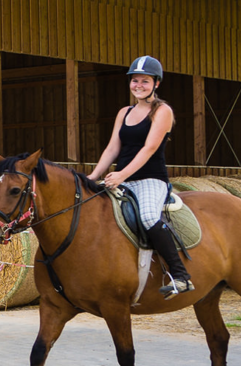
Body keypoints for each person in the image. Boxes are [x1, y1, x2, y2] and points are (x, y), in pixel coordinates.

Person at [88, 55, 194, 299]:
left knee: (147, 216)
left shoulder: (163, 111)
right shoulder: (124, 112)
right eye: (134, 81)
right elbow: (113, 147)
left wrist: (122, 174)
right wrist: (93, 176)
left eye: (144, 81)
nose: (138, 85)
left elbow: (149, 148)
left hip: (150, 179)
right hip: (121, 179)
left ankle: (180, 276)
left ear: (156, 83)